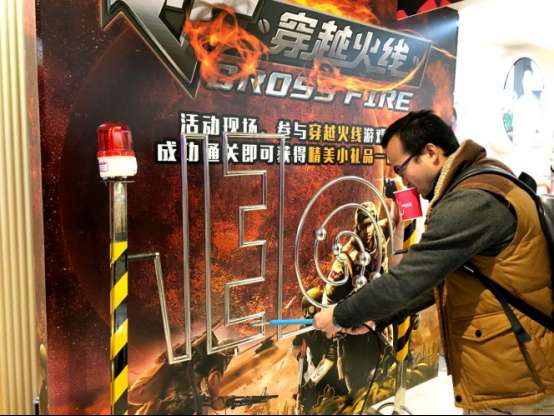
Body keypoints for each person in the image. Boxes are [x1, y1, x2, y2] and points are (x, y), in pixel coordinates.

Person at [313, 110, 554, 414]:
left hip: (518, 379)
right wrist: (378, 318)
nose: (402, 181)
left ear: (431, 152)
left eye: (401, 169)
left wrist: (340, 315)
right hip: (512, 367)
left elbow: (408, 279)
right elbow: (440, 279)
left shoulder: (471, 201)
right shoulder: (483, 181)